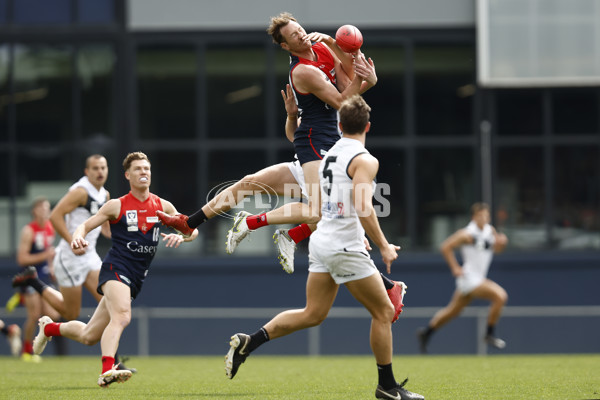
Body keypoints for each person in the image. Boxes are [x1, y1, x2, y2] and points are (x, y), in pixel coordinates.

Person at [224, 95, 424, 400]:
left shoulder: (329, 156)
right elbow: (362, 205)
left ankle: (249, 342)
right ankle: (387, 386)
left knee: (313, 313)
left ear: (340, 125)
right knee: (384, 311)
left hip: (321, 243)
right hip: (343, 245)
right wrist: (383, 245)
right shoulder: (366, 159)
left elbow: (336, 202)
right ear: (368, 125)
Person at [225, 12, 378, 270]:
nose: (301, 33)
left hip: (329, 142)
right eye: (294, 34)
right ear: (285, 46)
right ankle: (251, 223)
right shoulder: (302, 71)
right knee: (324, 209)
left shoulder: (322, 49)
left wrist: (333, 43)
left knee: (342, 204)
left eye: (300, 28)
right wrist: (366, 81)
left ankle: (287, 234)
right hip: (316, 144)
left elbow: (347, 82)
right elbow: (342, 100)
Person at [31, 151, 198, 387]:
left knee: (88, 336)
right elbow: (85, 226)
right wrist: (77, 238)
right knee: (122, 316)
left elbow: (192, 228)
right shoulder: (116, 205)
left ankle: (50, 328)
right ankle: (108, 369)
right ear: (128, 175)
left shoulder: (162, 205)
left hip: (136, 279)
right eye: (138, 169)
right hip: (115, 269)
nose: (144, 172)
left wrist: (184, 238)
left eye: (147, 169)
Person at [12, 155, 135, 372]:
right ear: (87, 171)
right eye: (95, 168)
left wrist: (125, 236)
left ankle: (113, 362)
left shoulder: (104, 194)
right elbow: (55, 216)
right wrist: (72, 241)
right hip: (69, 257)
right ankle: (34, 281)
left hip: (89, 257)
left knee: (112, 303)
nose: (100, 172)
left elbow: (106, 229)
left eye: (103, 167)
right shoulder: (80, 191)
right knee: (70, 313)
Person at [417, 202, 509, 354]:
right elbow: (445, 247)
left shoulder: (490, 231)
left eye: (486, 215)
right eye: (480, 215)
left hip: (477, 278)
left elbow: (496, 250)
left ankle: (426, 333)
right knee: (500, 296)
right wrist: (455, 267)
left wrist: (502, 243)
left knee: (452, 311)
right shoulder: (467, 233)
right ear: (474, 217)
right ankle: (489, 333)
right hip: (470, 278)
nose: (484, 218)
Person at [15, 197, 62, 362]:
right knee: (34, 315)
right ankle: (26, 349)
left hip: (44, 275)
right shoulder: (29, 230)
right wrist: (45, 255)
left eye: (47, 208)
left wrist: (52, 267)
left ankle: (41, 338)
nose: (45, 211)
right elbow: (22, 259)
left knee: (52, 314)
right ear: (34, 211)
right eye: (42, 208)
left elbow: (49, 253)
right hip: (30, 276)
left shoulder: (50, 227)